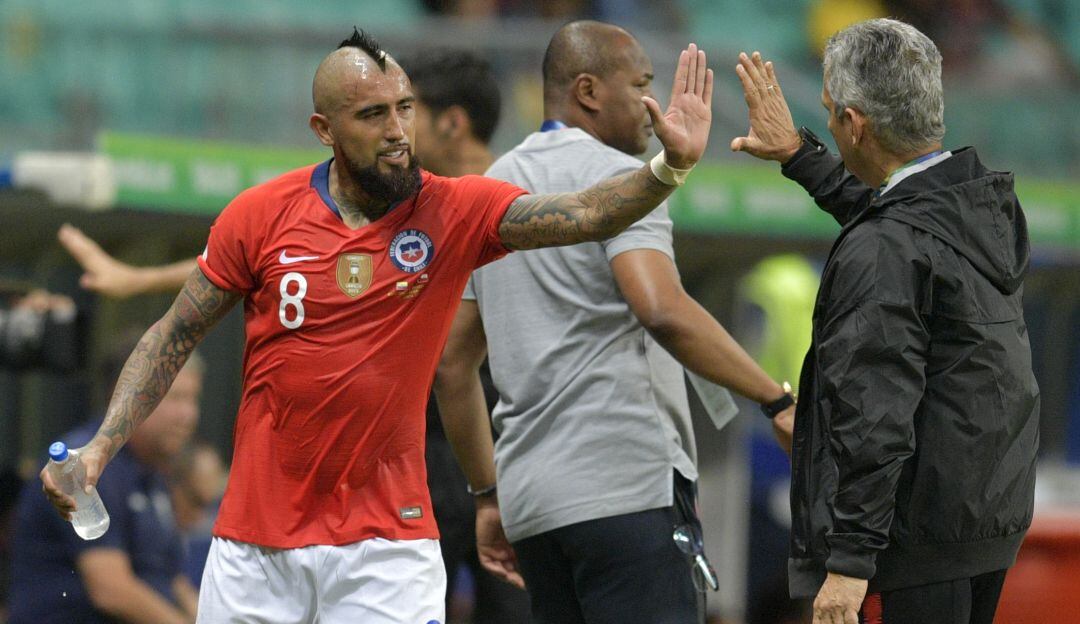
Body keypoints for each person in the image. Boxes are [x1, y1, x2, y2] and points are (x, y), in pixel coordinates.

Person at [41, 27, 714, 623]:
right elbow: (172, 335)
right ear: (324, 129)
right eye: (372, 115)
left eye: (404, 110)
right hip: (255, 544)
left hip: (387, 548)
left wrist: (668, 166)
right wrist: (102, 445)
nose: (396, 131)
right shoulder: (259, 214)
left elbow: (586, 213)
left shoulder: (453, 210)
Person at [434, 20, 795, 624]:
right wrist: (774, 400)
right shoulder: (623, 182)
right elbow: (660, 308)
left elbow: (451, 366)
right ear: (589, 91)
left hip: (532, 509)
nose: (652, 107)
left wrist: (488, 495)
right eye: (641, 85)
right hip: (623, 488)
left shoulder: (485, 190)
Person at [730, 18, 1039, 624]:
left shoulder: (890, 246)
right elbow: (899, 221)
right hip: (983, 520)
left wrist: (848, 564)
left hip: (919, 539)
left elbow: (877, 412)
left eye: (830, 113)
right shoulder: (980, 204)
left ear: (855, 123)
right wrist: (799, 153)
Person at [9, 348, 203, 624]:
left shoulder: (152, 470)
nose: (188, 415)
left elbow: (172, 579)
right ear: (125, 397)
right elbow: (111, 590)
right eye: (175, 398)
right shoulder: (81, 465)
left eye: (194, 399)